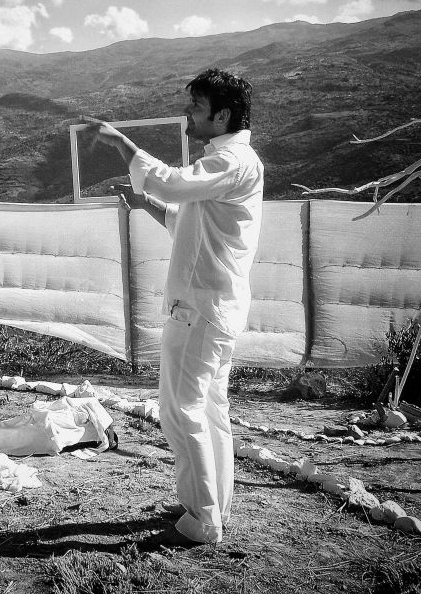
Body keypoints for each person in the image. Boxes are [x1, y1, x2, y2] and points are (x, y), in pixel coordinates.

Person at [88, 68, 263, 547]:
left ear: (222, 115)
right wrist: (144, 203)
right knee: (210, 411)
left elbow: (170, 183)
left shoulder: (231, 160)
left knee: (180, 411)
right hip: (213, 308)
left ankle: (203, 517)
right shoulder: (230, 163)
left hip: (201, 310)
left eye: (197, 106)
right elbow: (192, 224)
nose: (188, 113)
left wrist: (122, 144)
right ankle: (214, 504)